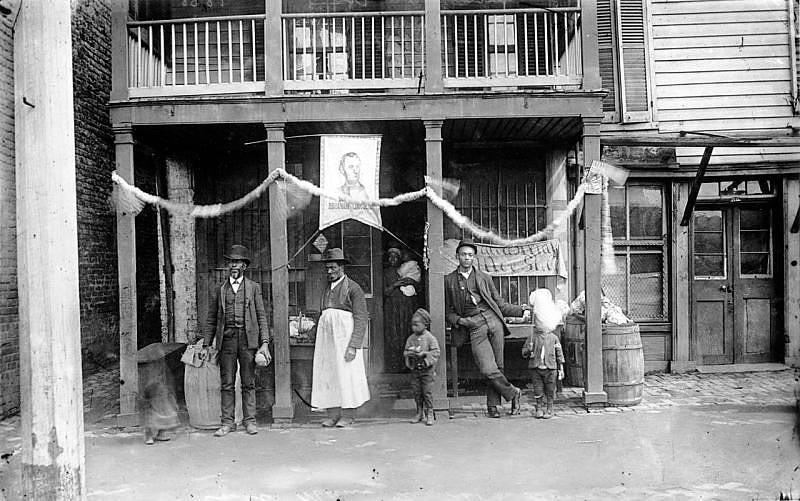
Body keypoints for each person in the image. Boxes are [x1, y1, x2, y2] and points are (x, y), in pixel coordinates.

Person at [444, 239, 529, 418]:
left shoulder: (484, 277)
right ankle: (514, 393)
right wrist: (461, 321)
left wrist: (521, 310)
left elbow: (499, 303)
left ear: (474, 258)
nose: (467, 258)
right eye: (463, 255)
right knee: (487, 368)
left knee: (498, 366)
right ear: (457, 256)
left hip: (494, 321)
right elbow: (447, 311)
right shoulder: (449, 280)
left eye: (470, 255)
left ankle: (493, 406)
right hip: (474, 326)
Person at [202, 244, 271, 437]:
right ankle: (227, 423)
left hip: (248, 340)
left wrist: (264, 342)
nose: (233, 265)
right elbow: (211, 318)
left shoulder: (254, 288)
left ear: (244, 266)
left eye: (237, 262)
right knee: (226, 384)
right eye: (231, 262)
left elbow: (261, 316)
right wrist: (207, 344)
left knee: (248, 382)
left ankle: (250, 421)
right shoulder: (220, 290)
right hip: (227, 340)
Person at [311, 247, 371, 427]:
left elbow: (361, 317)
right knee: (329, 375)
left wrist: (353, 345)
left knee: (347, 376)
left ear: (342, 268)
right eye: (327, 268)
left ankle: (348, 415)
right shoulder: (327, 288)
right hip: (328, 341)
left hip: (345, 340)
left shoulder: (353, 288)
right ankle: (333, 414)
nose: (330, 272)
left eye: (333, 268)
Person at [522, 289, 565, 419]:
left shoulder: (553, 338)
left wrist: (561, 368)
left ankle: (550, 408)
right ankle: (539, 407)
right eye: (538, 321)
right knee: (538, 389)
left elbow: (559, 353)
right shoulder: (532, 337)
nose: (539, 324)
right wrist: (528, 350)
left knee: (550, 389)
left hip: (551, 369)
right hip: (536, 368)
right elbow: (523, 352)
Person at [383, 247, 420, 373]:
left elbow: (417, 289)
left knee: (405, 333)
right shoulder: (386, 272)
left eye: (395, 257)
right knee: (393, 335)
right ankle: (394, 366)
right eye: (390, 256)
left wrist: (411, 282)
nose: (392, 259)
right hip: (392, 308)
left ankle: (406, 366)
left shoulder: (405, 271)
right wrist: (396, 284)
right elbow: (385, 291)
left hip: (405, 308)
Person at [403, 308, 440, 426]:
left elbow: (436, 352)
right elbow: (405, 351)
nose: (414, 327)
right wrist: (409, 353)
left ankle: (430, 412)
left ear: (425, 325)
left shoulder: (430, 338)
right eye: (412, 325)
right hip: (415, 370)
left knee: (427, 392)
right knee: (417, 392)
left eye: (416, 325)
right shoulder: (411, 338)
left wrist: (425, 354)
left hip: (427, 371)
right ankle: (419, 412)